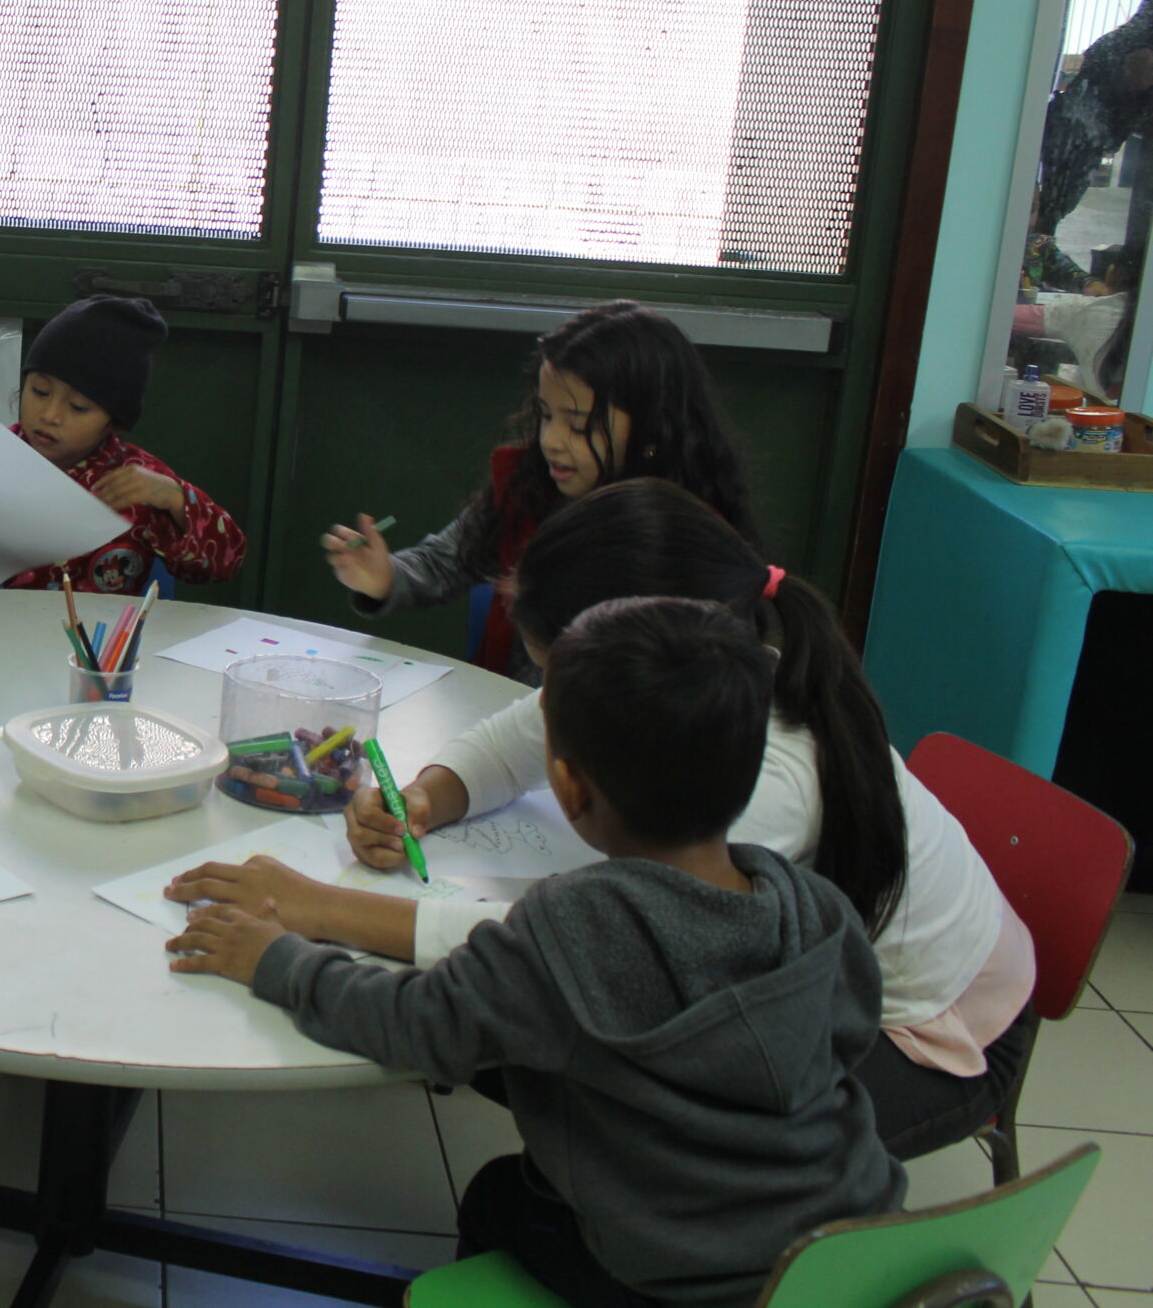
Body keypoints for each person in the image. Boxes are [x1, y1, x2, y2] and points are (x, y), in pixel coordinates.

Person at [179, 478, 1033, 1159]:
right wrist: (430, 797)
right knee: (549, 1044)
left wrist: (320, 908)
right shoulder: (717, 674)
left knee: (584, 1079)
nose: (554, 732)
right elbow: (517, 738)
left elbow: (563, 953)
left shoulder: (764, 781)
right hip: (816, 998)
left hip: (931, 1040)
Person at [167, 597, 904, 1307]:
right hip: (850, 1254)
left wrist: (275, 958)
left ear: (567, 785)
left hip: (676, 1280)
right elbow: (852, 1029)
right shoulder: (811, 903)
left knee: (499, 1196)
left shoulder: (574, 924)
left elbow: (417, 1026)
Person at [321, 301, 759, 680]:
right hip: (518, 731)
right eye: (547, 415)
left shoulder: (690, 542)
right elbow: (445, 561)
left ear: (654, 432)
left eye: (580, 424)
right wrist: (385, 577)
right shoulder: (530, 489)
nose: (551, 440)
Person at [0, 294, 246, 592]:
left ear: (113, 421)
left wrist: (176, 498)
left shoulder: (137, 481)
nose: (50, 414)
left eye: (78, 406)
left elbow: (224, 563)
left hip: (88, 660)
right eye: (39, 391)